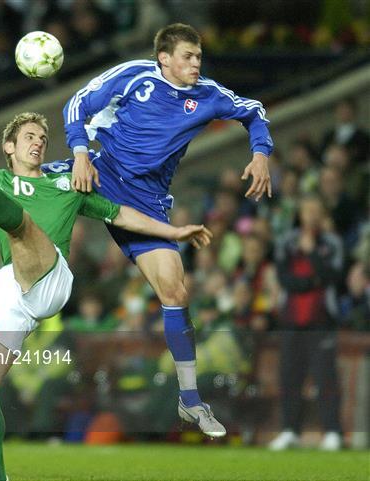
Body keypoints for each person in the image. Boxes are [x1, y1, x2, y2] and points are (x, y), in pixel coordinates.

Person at [0, 69, 214, 481]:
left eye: (42, 139)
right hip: (12, 290)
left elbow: (121, 213)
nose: (38, 142)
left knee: (21, 225)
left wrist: (172, 231)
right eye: (29, 137)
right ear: (8, 146)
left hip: (52, 277)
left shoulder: (67, 182)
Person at [63, 23, 273, 428]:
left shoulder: (208, 95)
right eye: (188, 57)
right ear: (165, 58)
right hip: (100, 172)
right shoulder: (133, 75)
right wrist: (79, 153)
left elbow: (254, 111)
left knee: (176, 292)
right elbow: (77, 104)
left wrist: (260, 153)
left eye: (198, 57)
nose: (196, 63)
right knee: (25, 187)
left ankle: (190, 400)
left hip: (148, 204)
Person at [270, 195, 343, 451]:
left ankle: (333, 432)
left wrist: (312, 252)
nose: (311, 215)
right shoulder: (286, 243)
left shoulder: (332, 242)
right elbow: (284, 279)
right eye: (307, 210)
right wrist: (310, 283)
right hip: (291, 320)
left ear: (322, 214)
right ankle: (290, 430)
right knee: (290, 378)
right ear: (300, 214)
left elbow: (332, 276)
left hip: (321, 320)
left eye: (316, 210)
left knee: (326, 379)